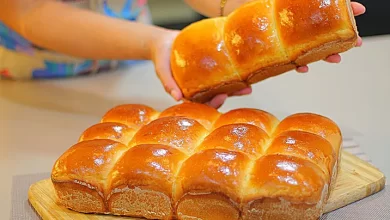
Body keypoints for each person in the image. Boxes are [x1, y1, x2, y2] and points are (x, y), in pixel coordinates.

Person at [0, 0, 366, 108]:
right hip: (35, 79)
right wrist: (153, 42)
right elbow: (29, 12)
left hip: (140, 64)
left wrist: (248, 10)